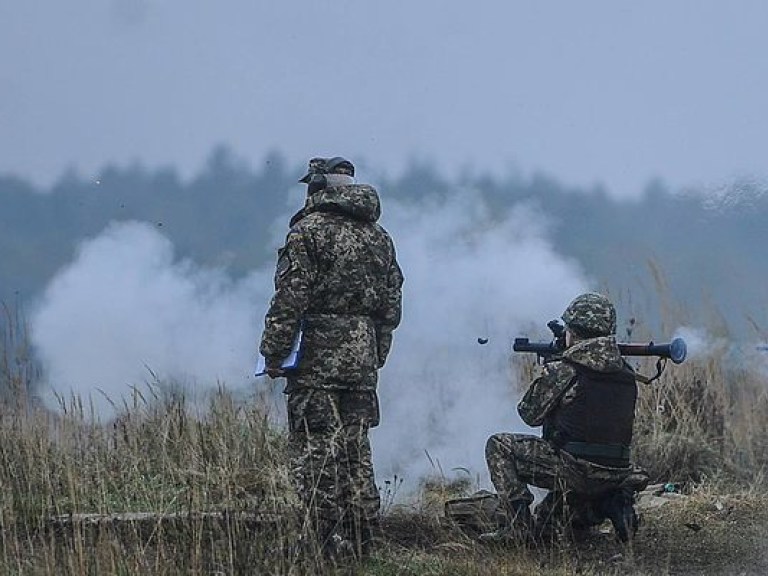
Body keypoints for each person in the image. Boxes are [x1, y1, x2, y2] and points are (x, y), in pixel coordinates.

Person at [259, 156, 404, 559]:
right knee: (357, 451)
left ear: (318, 187)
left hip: (316, 359)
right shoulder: (380, 237)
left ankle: (323, 545)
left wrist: (273, 351)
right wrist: (377, 352)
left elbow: (290, 298)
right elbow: (392, 305)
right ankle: (363, 541)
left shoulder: (308, 232)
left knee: (315, 450)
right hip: (362, 358)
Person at [483, 292, 648, 544]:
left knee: (499, 445)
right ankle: (612, 506)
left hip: (576, 470)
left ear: (573, 332)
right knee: (547, 524)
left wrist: (549, 371)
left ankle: (518, 529)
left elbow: (529, 414)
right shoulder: (625, 371)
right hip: (616, 473)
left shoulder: (565, 369)